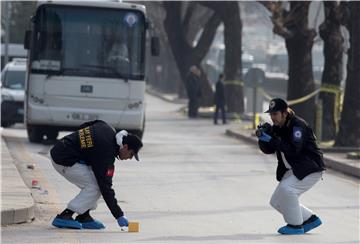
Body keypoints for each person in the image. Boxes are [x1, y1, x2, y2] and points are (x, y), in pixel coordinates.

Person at [50, 120, 143, 229]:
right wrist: (119, 215)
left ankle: (84, 216)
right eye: (131, 154)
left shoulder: (107, 127)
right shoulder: (106, 154)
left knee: (96, 182)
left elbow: (85, 125)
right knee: (96, 187)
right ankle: (65, 215)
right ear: (125, 147)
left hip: (62, 148)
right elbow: (105, 187)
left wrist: (81, 147)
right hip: (63, 160)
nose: (129, 158)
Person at [257, 98, 325, 235]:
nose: (272, 117)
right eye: (271, 114)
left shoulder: (297, 125)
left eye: (275, 114)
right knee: (276, 201)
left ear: (284, 113)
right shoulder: (278, 127)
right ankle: (310, 219)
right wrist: (263, 138)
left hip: (309, 168)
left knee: (287, 190)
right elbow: (269, 150)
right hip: (294, 169)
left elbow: (294, 150)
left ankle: (295, 226)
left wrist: (273, 139)